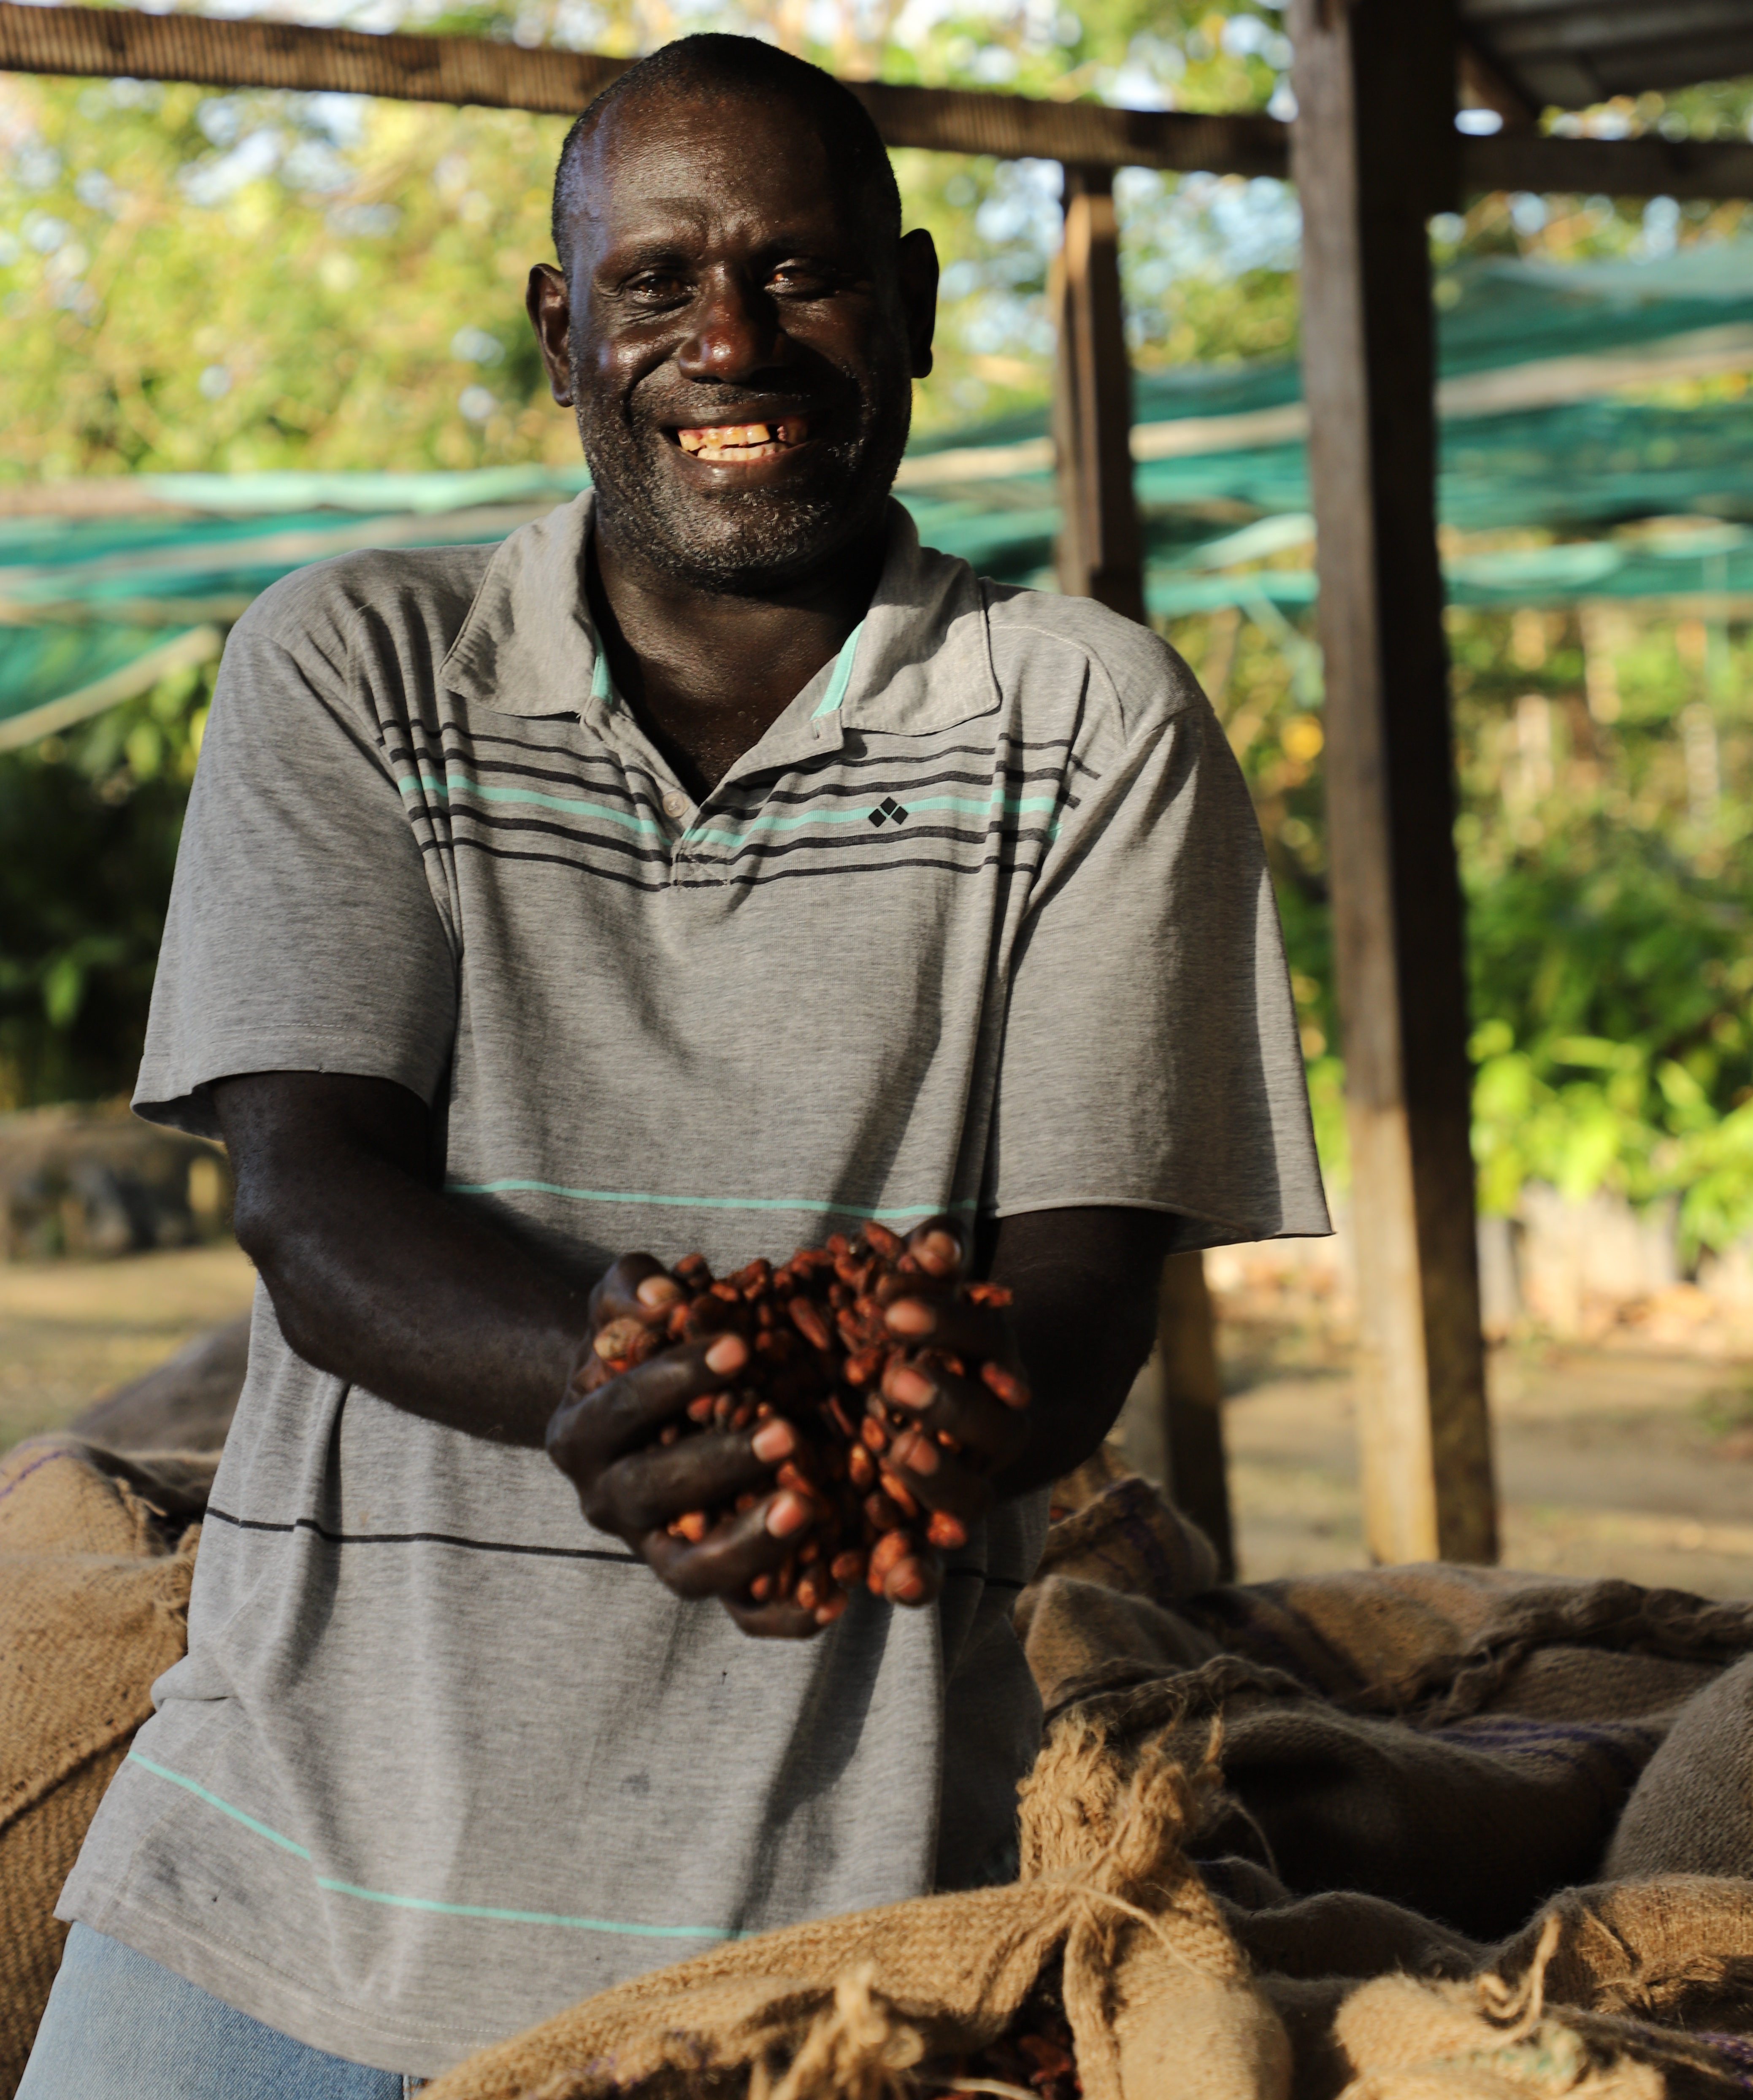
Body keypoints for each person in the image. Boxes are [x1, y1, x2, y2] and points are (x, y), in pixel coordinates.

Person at [22, 32, 1327, 2098]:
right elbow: (310, 1192)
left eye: (799, 277)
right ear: (564, 332)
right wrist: (650, 1395)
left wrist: (862, 1411)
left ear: (900, 308)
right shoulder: (357, 663)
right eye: (656, 285)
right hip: (283, 1897)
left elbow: (1078, 1312)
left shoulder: (1087, 723)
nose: (731, 340)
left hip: (830, 1955)